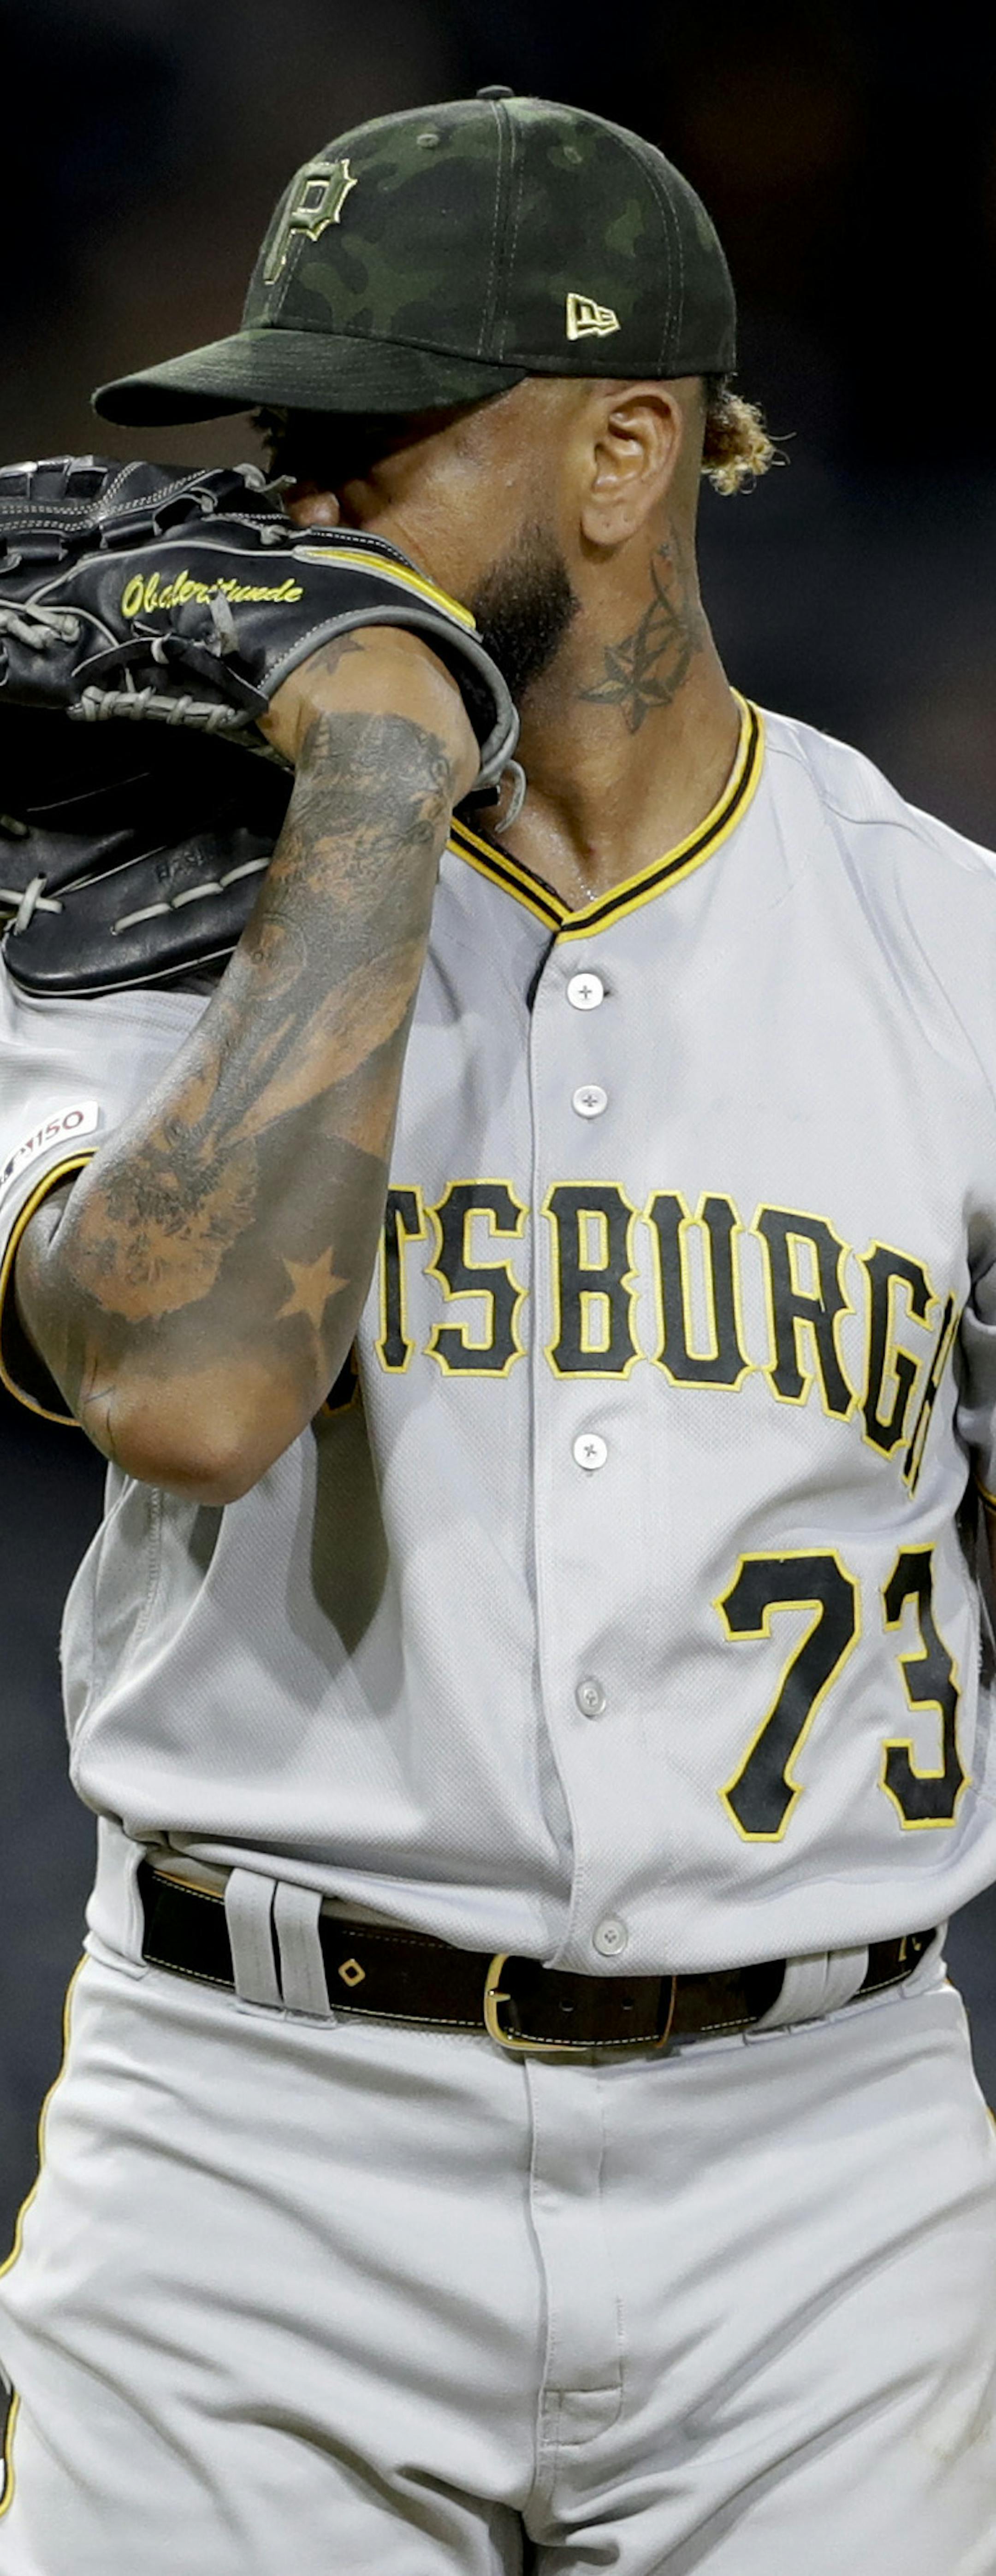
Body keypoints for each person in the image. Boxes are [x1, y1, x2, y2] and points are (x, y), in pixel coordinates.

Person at [2, 86, 996, 2576]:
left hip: (826, 2175)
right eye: (283, 448)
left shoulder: (945, 953)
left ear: (628, 450)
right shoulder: (133, 906)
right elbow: (201, 1384)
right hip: (254, 2154)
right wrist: (364, 772)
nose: (294, 518)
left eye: (376, 445)